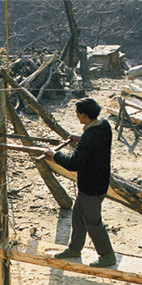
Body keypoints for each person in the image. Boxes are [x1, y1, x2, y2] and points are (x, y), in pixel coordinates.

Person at [43, 97, 116, 268]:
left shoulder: (89, 137)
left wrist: (54, 155)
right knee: (78, 218)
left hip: (92, 188)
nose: (76, 115)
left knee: (93, 223)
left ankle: (107, 255)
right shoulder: (103, 125)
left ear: (84, 115)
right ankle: (75, 248)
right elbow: (91, 142)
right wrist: (79, 138)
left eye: (77, 113)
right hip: (98, 182)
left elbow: (73, 164)